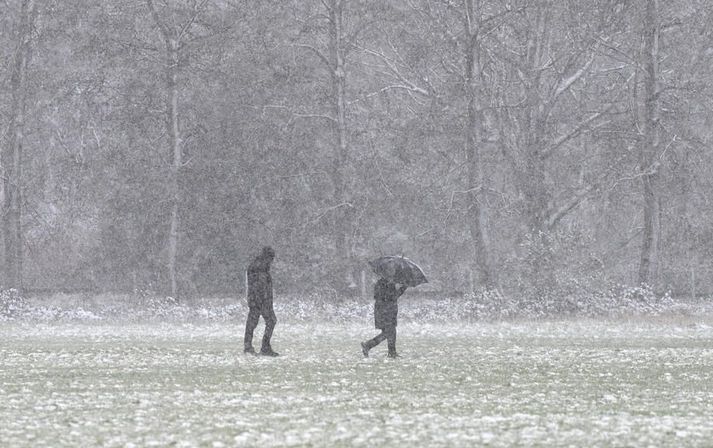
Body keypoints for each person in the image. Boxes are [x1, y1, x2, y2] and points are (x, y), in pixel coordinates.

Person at [244, 246, 279, 356]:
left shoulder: (258, 266)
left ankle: (250, 346)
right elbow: (260, 286)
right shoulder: (260, 267)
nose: (271, 261)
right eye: (271, 258)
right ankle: (261, 346)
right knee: (267, 321)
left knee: (253, 322)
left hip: (259, 300)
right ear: (267, 257)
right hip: (261, 300)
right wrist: (262, 300)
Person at [361, 277, 407, 358]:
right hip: (386, 312)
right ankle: (368, 345)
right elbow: (393, 297)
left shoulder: (382, 283)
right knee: (389, 332)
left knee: (391, 332)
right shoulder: (386, 284)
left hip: (384, 311)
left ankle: (392, 352)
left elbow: (387, 297)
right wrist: (403, 288)